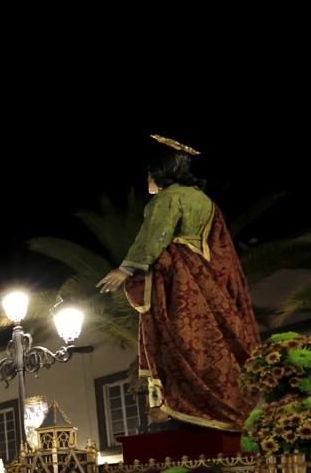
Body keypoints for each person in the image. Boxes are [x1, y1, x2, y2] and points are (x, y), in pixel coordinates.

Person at [97, 136, 258, 431]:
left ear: (161, 172)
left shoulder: (167, 199)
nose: (147, 178)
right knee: (206, 339)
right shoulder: (206, 201)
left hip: (178, 279)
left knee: (177, 340)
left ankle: (182, 406)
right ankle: (219, 406)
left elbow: (155, 237)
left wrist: (126, 269)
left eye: (149, 172)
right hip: (205, 277)